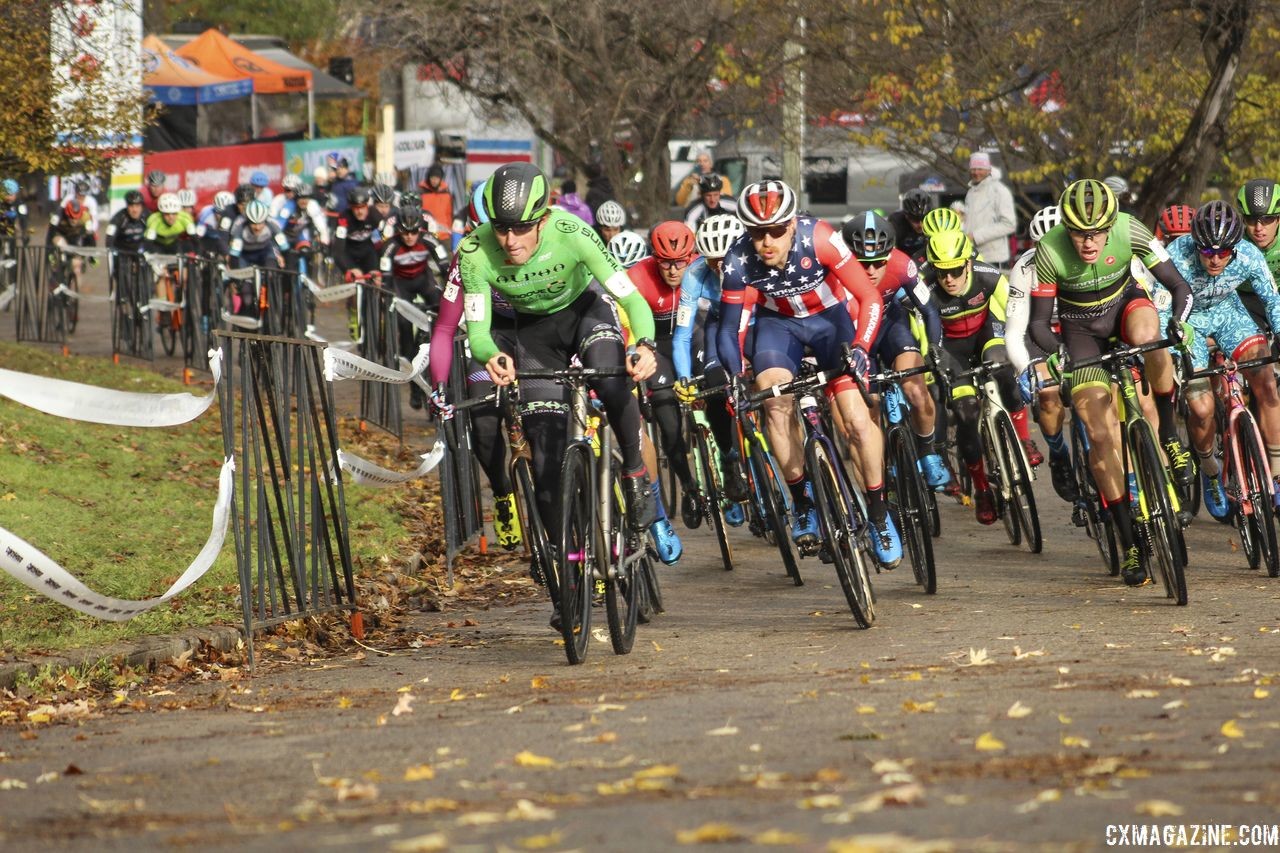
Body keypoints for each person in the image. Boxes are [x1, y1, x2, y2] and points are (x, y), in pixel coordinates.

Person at [456, 163, 661, 577]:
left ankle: (635, 471)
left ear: (543, 218)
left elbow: (633, 300)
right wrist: (490, 354)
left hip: (585, 312)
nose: (510, 241)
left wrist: (644, 344)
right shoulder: (474, 252)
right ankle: (563, 567)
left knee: (609, 375)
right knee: (545, 453)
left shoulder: (573, 233)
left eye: (521, 228)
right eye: (501, 229)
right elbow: (477, 330)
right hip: (534, 334)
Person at [718, 180, 901, 567]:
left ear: (791, 224)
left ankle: (879, 513)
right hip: (778, 326)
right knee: (774, 400)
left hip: (829, 322)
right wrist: (735, 377)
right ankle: (803, 502)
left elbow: (868, 297)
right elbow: (729, 329)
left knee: (854, 418)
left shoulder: (820, 237)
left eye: (775, 230)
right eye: (756, 233)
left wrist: (862, 349)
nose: (767, 241)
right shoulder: (737, 261)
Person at [1029, 179, 1194, 586]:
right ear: (1066, 229)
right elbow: (1037, 323)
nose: (1088, 242)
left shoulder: (1129, 228)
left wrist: (1179, 323)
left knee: (1150, 337)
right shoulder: (1049, 249)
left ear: (1110, 225)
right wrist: (1057, 352)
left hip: (1126, 307)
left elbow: (1178, 286)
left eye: (1097, 232)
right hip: (1080, 333)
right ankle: (1130, 538)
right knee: (1100, 436)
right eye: (1079, 233)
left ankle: (1170, 435)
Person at [1164, 201, 1280, 517]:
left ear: (1234, 246)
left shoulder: (1248, 254)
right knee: (1201, 409)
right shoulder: (1176, 256)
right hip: (1189, 324)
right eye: (1207, 252)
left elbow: (1272, 300)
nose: (1215, 259)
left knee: (1267, 383)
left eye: (1223, 252)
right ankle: (1211, 472)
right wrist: (1176, 348)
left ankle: (1277, 473)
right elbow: (1163, 310)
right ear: (1195, 245)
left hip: (1231, 316)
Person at [924, 230, 1041, 525]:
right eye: (941, 272)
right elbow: (921, 334)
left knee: (1001, 368)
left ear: (967, 264)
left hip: (985, 335)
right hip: (952, 349)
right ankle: (981, 490)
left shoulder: (987, 275)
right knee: (965, 413)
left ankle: (1025, 441)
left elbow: (1013, 314)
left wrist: (1019, 350)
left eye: (954, 270)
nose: (948, 279)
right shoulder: (927, 289)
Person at [842, 211, 949, 489]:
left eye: (878, 263)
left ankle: (928, 452)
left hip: (891, 326)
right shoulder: (835, 274)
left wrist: (935, 347)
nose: (871, 271)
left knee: (915, 389)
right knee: (870, 411)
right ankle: (879, 470)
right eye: (863, 264)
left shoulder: (902, 264)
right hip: (854, 336)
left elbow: (929, 310)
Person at [672, 214, 752, 521]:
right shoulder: (694, 274)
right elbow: (682, 334)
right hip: (721, 325)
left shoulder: (754, 261)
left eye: (725, 260)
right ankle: (730, 458)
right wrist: (683, 377)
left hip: (757, 318)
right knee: (714, 383)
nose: (719, 268)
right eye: (712, 262)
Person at [1002, 206, 1073, 501]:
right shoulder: (1024, 267)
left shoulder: (1082, 258)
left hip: (1075, 328)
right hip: (1038, 334)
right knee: (1048, 394)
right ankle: (1058, 453)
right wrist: (1024, 369)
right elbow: (1014, 331)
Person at [379, 205, 450, 410]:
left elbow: (445, 267)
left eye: (413, 231)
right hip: (401, 285)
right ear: (398, 230)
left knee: (441, 314)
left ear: (420, 229)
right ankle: (415, 388)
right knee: (405, 329)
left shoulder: (429, 240)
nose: (409, 236)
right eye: (405, 232)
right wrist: (387, 298)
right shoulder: (390, 246)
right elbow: (385, 279)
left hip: (423, 281)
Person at [1236, 179, 1280, 331]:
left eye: (1267, 219)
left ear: (1278, 219)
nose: (1259, 228)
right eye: (1251, 220)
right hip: (1245, 299)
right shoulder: (1235, 243)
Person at [963, 152, 1015, 270]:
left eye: (980, 168)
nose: (976, 172)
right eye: (973, 169)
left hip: (993, 258)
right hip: (972, 255)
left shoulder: (999, 191)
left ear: (988, 170)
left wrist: (975, 236)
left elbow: (1009, 224)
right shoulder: (971, 192)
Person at [889, 188, 932, 261]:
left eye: (924, 219)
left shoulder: (934, 220)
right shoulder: (897, 222)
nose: (920, 225)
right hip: (904, 261)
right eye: (915, 220)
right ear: (906, 216)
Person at [418, 164, 454, 243]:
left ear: (440, 179)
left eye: (437, 178)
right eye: (432, 178)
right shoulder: (421, 193)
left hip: (444, 235)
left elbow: (449, 214)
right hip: (426, 234)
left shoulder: (446, 193)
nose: (434, 180)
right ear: (429, 178)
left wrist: (449, 230)